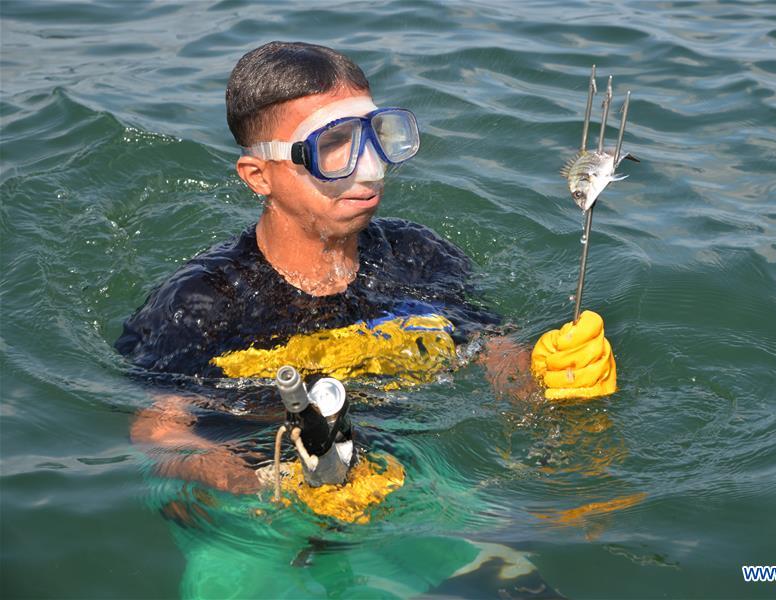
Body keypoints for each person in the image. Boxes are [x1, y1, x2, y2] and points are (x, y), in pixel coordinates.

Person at [116, 41, 532, 495]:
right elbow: (158, 431)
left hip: (404, 465)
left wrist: (553, 380)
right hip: (253, 480)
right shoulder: (205, 299)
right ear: (259, 176)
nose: (370, 169)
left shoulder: (418, 255)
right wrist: (267, 487)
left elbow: (495, 349)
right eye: (334, 144)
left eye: (376, 137)